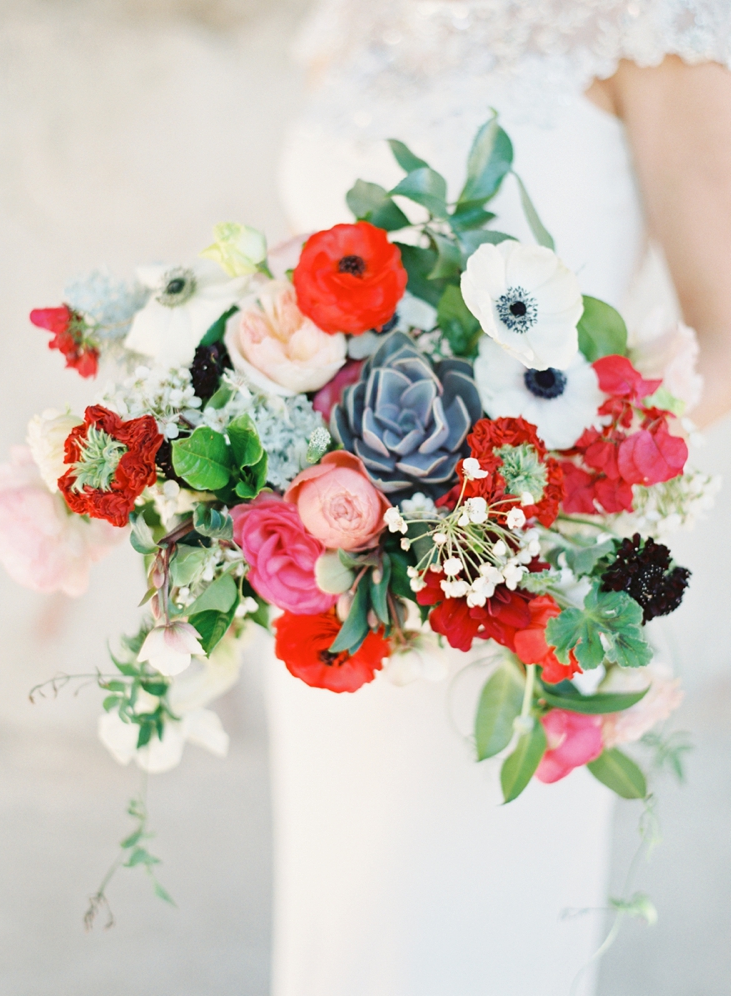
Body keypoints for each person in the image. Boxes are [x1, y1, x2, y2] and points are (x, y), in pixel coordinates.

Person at [264, 3, 731, 994]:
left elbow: (725, 333)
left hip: (516, 597)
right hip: (338, 578)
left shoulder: (656, 23)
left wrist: (531, 510)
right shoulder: (347, 24)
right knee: (342, 936)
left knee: (474, 941)